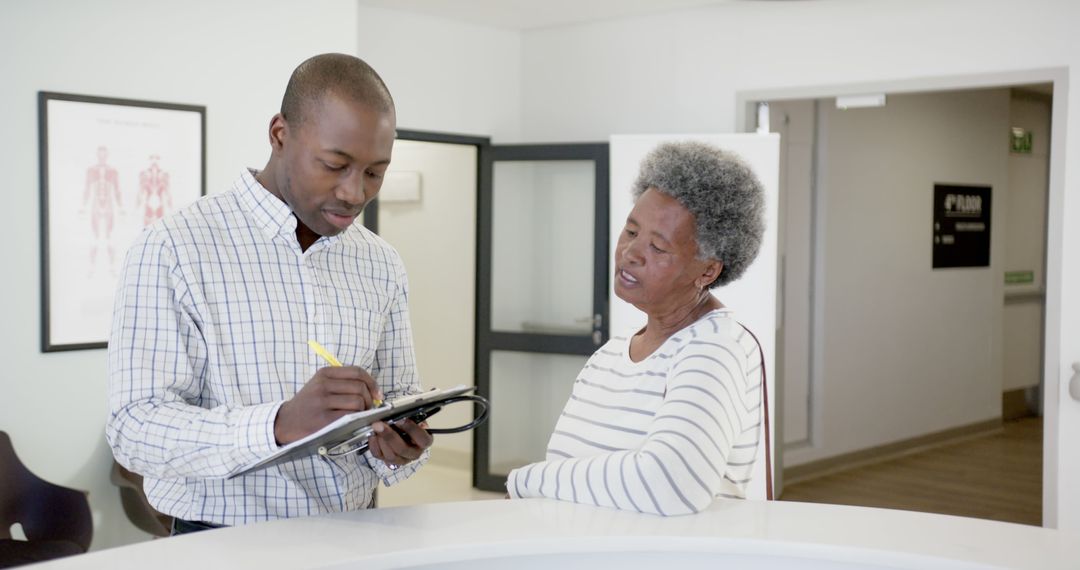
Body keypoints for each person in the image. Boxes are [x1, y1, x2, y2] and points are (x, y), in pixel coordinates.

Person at [106, 53, 433, 534]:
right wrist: (280, 423)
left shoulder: (381, 262)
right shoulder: (175, 248)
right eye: (335, 164)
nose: (354, 192)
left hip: (356, 535)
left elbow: (399, 400)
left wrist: (400, 450)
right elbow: (134, 430)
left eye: (374, 172)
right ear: (280, 134)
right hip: (219, 543)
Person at [506, 141, 766, 516]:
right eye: (630, 232)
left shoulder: (715, 348)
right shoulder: (609, 356)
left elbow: (671, 484)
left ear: (707, 270)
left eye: (658, 248)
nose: (631, 253)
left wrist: (527, 481)